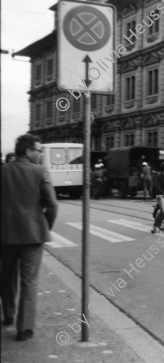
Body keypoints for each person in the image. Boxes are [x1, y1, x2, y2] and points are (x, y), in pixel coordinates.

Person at [1, 133, 58, 341]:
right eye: (39, 150)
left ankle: (7, 314)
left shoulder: (3, 171)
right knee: (29, 281)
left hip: (5, 234)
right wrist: (44, 226)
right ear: (28, 151)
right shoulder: (40, 171)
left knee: (6, 277)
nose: (41, 154)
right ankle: (24, 328)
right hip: (33, 236)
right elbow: (51, 204)